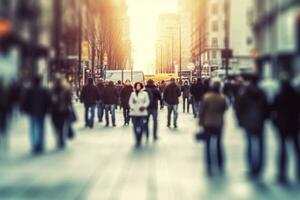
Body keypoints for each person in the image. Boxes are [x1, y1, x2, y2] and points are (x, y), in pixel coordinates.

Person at [235, 75, 269, 178]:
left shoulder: (244, 92)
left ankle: (251, 166)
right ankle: (259, 167)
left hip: (248, 121)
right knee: (261, 144)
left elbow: (239, 107)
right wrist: (265, 117)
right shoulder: (262, 92)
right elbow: (267, 107)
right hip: (260, 121)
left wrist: (240, 119)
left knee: (249, 144)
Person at [272, 74, 300, 184]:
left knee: (282, 148)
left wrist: (275, 121)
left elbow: (273, 109)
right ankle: (298, 172)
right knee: (296, 148)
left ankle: (282, 173)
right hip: (294, 124)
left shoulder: (279, 95)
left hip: (282, 125)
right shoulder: (296, 95)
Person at [199, 81, 227, 176]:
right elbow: (224, 109)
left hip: (208, 123)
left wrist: (200, 122)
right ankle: (220, 163)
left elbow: (202, 110)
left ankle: (209, 165)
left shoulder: (207, 97)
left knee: (207, 145)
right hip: (218, 123)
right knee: (219, 143)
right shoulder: (222, 97)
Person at [22, 76, 51, 154]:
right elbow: (49, 100)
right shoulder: (44, 90)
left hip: (32, 112)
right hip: (42, 112)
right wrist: (47, 109)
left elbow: (25, 101)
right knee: (41, 128)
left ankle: (35, 145)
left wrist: (26, 110)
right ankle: (40, 144)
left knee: (33, 128)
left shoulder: (30, 90)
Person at [50, 74, 73, 149]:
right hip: (63, 110)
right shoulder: (66, 88)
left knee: (56, 126)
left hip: (55, 110)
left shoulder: (52, 89)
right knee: (62, 125)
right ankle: (61, 139)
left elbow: (49, 100)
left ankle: (59, 138)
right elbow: (69, 100)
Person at [129, 82, 150, 148]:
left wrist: (144, 106)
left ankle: (140, 138)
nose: (138, 87)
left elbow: (147, 101)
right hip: (134, 113)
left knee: (141, 126)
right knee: (135, 127)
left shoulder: (145, 93)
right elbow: (130, 102)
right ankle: (137, 139)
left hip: (142, 112)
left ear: (141, 87)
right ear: (135, 87)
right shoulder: (132, 94)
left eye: (139, 86)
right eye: (137, 86)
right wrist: (132, 107)